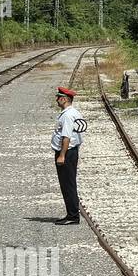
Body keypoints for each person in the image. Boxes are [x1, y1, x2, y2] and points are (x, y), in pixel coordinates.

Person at [51, 86, 86, 225]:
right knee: (68, 183)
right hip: (70, 152)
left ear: (64, 99)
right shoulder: (72, 112)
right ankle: (71, 214)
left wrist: (62, 155)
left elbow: (66, 137)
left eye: (58, 97)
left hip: (67, 153)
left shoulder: (67, 115)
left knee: (68, 185)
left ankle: (72, 216)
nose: (56, 99)